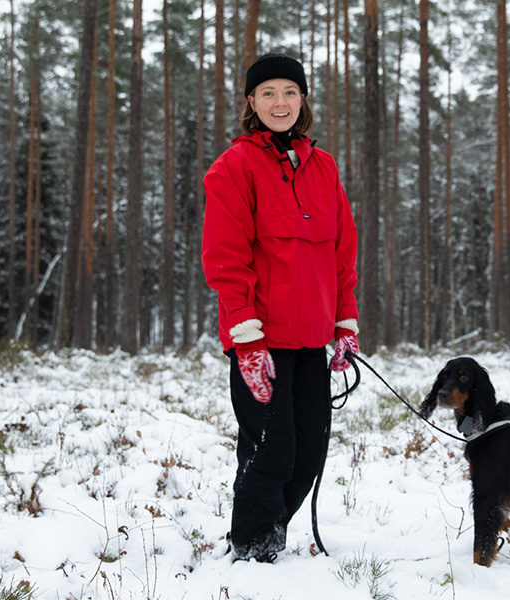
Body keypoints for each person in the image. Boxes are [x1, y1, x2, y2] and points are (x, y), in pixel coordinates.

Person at [201, 52, 360, 564]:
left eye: (289, 92)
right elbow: (227, 258)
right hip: (261, 342)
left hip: (313, 338)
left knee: (309, 450)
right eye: (268, 93)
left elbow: (342, 251)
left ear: (302, 100)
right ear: (251, 102)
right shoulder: (233, 168)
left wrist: (344, 323)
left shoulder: (324, 166)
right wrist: (245, 339)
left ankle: (268, 530)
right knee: (271, 449)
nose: (280, 102)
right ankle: (252, 548)